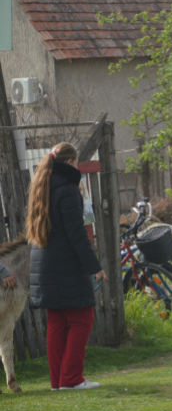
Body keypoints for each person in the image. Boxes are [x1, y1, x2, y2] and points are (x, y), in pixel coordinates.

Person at [27, 142, 107, 391]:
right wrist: (95, 267)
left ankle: (58, 382)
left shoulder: (43, 187)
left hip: (45, 264)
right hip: (65, 266)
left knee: (58, 321)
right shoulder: (70, 190)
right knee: (83, 317)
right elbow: (76, 234)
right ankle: (71, 379)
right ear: (71, 162)